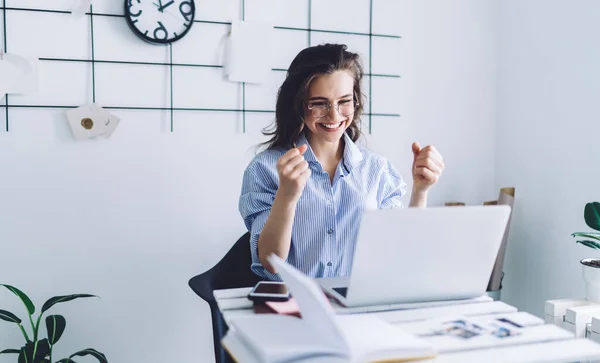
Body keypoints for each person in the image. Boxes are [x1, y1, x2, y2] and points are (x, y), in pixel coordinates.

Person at [239, 43, 444, 280]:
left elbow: (400, 254)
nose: (334, 116)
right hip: (293, 308)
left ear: (356, 101)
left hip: (360, 305)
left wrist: (421, 190)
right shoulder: (265, 169)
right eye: (319, 103)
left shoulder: (377, 171)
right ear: (297, 104)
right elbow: (271, 262)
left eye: (344, 101)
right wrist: (287, 195)